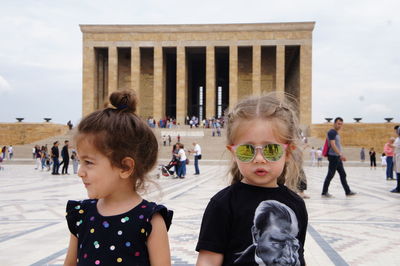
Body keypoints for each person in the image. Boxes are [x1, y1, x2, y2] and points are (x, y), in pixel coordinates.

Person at [196, 93, 308, 266]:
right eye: (247, 150)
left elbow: (298, 256)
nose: (259, 158)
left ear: (287, 152)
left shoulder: (296, 204)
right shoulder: (223, 204)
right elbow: (208, 260)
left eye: (271, 149)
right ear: (233, 153)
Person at [64, 89, 173, 265]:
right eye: (79, 161)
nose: (80, 172)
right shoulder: (80, 214)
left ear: (125, 167)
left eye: (89, 163)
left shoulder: (150, 220)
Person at [321, 117, 356, 197]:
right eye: (338, 123)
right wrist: (340, 154)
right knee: (330, 174)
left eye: (341, 124)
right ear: (334, 123)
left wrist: (339, 155)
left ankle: (347, 191)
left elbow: (337, 145)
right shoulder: (332, 132)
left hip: (337, 157)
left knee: (343, 174)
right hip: (334, 157)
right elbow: (333, 145)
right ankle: (324, 192)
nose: (340, 125)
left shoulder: (336, 133)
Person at [390, 127, 400, 193]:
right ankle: (398, 187)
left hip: (399, 157)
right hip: (397, 156)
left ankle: (398, 188)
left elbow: (397, 146)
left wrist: (391, 145)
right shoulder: (398, 139)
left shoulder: (398, 139)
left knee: (399, 173)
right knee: (398, 172)